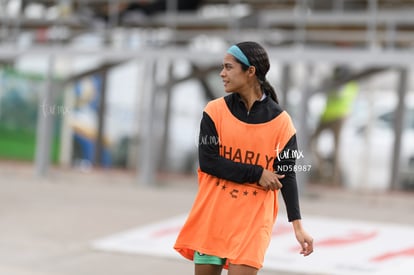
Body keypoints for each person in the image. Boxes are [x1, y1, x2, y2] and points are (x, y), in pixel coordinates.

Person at [174, 41, 314, 275]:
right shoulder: (214, 111)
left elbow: (287, 175)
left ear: (250, 72)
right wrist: (257, 173)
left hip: (253, 222)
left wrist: (298, 227)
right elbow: (209, 161)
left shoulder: (282, 122)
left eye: (229, 67)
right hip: (213, 215)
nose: (222, 73)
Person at [310, 66, 358, 186]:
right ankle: (322, 171)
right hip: (326, 116)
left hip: (338, 117)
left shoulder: (350, 85)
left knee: (336, 149)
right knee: (311, 142)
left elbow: (339, 94)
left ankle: (334, 179)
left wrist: (332, 84)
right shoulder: (339, 82)